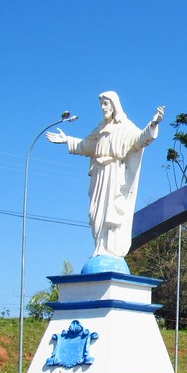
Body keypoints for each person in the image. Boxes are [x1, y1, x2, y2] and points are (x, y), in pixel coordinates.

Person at [47, 91, 164, 259]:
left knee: (112, 211)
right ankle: (100, 247)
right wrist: (67, 139)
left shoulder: (125, 127)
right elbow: (86, 146)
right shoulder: (100, 130)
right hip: (99, 176)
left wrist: (153, 123)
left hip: (114, 175)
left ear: (114, 105)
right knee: (95, 212)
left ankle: (111, 250)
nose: (103, 108)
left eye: (106, 104)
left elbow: (140, 140)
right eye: (101, 104)